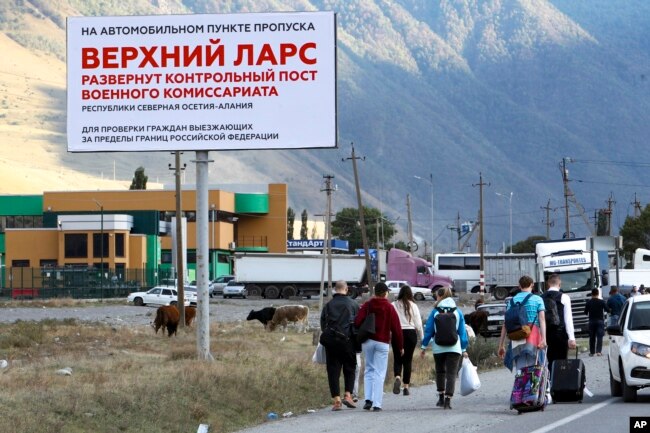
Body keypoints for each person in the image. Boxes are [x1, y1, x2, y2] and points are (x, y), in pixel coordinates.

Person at [354, 282, 403, 412]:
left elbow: (357, 321)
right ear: (385, 293)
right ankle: (377, 404)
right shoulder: (389, 307)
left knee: (368, 369)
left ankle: (368, 400)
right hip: (382, 342)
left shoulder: (367, 305)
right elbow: (397, 329)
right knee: (379, 373)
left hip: (368, 341)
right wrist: (400, 346)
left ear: (375, 293)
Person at [420, 286, 469, 410]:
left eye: (437, 295)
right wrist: (463, 349)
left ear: (440, 296)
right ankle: (448, 400)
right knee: (451, 374)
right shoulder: (457, 311)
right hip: (454, 347)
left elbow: (429, 330)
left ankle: (441, 398)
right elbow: (462, 332)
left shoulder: (435, 311)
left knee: (440, 372)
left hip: (438, 347)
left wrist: (424, 346)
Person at [320, 280, 360, 411]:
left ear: (335, 290)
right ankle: (348, 395)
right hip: (348, 342)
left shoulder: (328, 305)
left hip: (332, 343)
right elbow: (358, 324)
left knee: (333, 370)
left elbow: (323, 324)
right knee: (350, 368)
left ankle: (336, 400)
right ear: (346, 289)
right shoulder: (353, 304)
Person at [498, 276, 547, 370]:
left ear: (519, 286)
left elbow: (505, 324)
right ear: (532, 285)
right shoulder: (537, 299)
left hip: (516, 335)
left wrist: (501, 345)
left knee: (520, 368)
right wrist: (544, 339)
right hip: (533, 334)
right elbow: (542, 319)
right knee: (535, 367)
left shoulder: (511, 301)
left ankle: (521, 384)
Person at [391, 285, 424, 396]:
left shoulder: (393, 305)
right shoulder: (413, 305)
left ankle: (397, 376)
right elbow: (419, 325)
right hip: (410, 333)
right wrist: (423, 339)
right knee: (408, 360)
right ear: (410, 294)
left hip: (397, 333)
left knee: (397, 357)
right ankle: (406, 387)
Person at [542, 274, 576, 370]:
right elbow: (568, 318)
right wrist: (571, 338)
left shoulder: (540, 297)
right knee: (562, 361)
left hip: (546, 334)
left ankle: (550, 382)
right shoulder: (564, 297)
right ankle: (560, 382)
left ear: (548, 284)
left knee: (550, 360)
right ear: (560, 284)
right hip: (561, 333)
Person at [584, 288, 609, 356]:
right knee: (599, 336)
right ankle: (598, 351)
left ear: (592, 294)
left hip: (591, 321)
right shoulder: (602, 301)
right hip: (600, 321)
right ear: (598, 293)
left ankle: (592, 352)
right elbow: (607, 310)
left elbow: (585, 312)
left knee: (592, 337)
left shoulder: (588, 302)